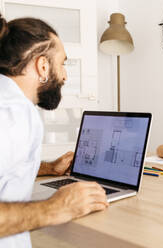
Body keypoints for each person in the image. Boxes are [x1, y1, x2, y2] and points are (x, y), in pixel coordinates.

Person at [0, 14, 108, 247]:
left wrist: (48, 168)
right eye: (62, 63)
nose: (65, 75)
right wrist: (56, 207)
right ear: (43, 65)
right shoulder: (13, 113)